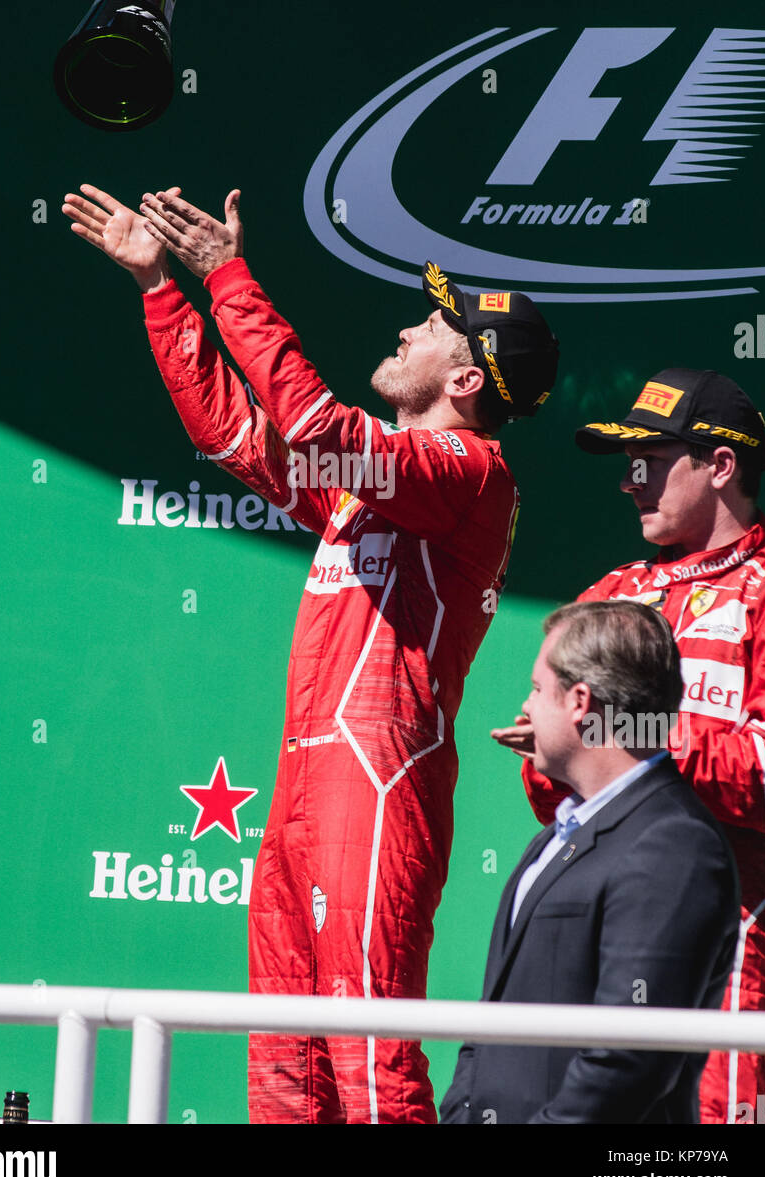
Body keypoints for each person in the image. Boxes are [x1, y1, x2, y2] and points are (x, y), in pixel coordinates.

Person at [61, 182, 559, 1124]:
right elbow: (241, 435)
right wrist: (163, 291)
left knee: (369, 1056)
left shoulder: (466, 472)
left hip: (377, 779)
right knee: (286, 1065)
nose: (407, 332)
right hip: (305, 782)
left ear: (465, 382)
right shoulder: (367, 483)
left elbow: (314, 426)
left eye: (432, 329)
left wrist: (228, 277)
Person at [494, 369, 765, 1125]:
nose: (629, 483)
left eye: (648, 460)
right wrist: (548, 750)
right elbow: (561, 798)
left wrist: (635, 732)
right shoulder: (605, 598)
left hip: (741, 928)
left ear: (719, 465)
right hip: (600, 916)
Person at [442, 600, 740, 1124]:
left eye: (537, 689)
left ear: (580, 701)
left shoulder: (673, 845)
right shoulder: (557, 837)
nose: (526, 708)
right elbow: (489, 1029)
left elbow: (630, 1055)